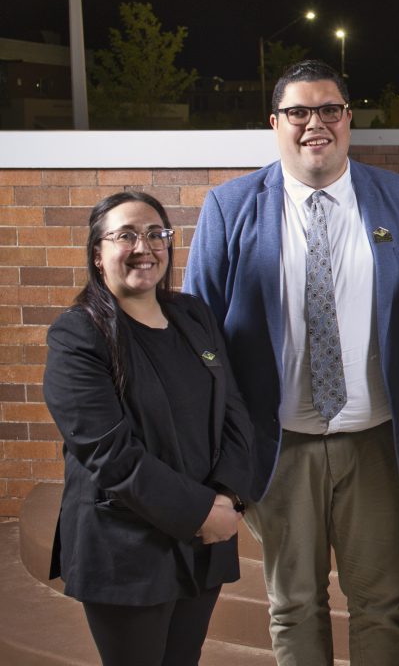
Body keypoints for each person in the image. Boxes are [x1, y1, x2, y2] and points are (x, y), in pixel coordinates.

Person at [184, 60, 399, 665]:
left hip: (377, 442)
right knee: (294, 603)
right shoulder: (230, 207)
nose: (314, 124)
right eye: (298, 112)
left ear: (349, 118)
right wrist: (220, 456)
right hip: (278, 448)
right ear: (275, 123)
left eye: (329, 109)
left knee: (383, 601)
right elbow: (201, 345)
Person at [43, 191, 254, 666]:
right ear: (98, 255)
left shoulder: (193, 315)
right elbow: (109, 454)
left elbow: (234, 411)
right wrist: (203, 511)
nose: (145, 246)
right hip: (128, 546)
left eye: (156, 233)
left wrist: (229, 496)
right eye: (126, 235)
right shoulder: (78, 335)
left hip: (204, 538)